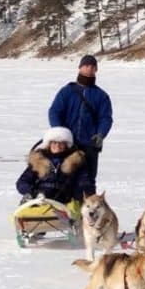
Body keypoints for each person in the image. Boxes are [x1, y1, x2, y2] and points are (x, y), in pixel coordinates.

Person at [48, 54, 113, 194]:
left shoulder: (101, 96)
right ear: (80, 68)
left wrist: (100, 134)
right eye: (86, 65)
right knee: (64, 176)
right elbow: (54, 112)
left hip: (90, 144)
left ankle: (88, 212)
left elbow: (106, 118)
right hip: (67, 143)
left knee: (88, 180)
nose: (89, 69)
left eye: (92, 66)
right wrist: (60, 133)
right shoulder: (67, 92)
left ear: (96, 70)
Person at [15, 126, 92, 219]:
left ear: (66, 145)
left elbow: (84, 182)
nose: (58, 146)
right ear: (49, 144)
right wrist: (32, 192)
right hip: (39, 198)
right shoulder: (38, 161)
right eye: (54, 143)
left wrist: (77, 195)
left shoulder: (75, 161)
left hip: (64, 200)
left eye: (61, 143)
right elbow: (22, 182)